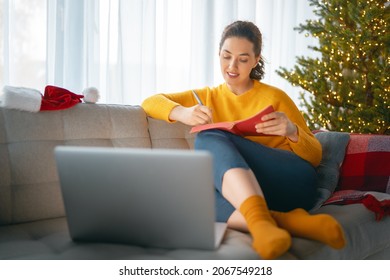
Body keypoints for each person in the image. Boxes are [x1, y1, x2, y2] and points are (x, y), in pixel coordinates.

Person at [142, 20, 345, 259]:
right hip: (255, 194)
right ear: (218, 54)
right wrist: (183, 113)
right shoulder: (208, 95)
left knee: (208, 136)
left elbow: (314, 157)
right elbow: (150, 102)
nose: (232, 66)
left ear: (256, 60)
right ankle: (280, 223)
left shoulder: (275, 97)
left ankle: (262, 222)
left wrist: (292, 132)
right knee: (191, 195)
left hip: (294, 183)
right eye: (226, 56)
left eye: (243, 59)